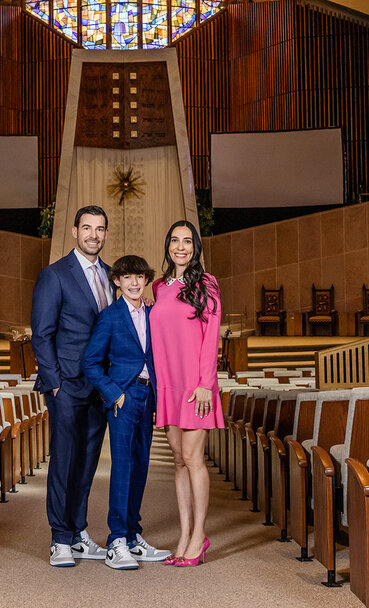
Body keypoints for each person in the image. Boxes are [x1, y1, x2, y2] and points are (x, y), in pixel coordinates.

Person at [30, 205, 113, 567]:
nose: (94, 234)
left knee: (88, 462)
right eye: (87, 228)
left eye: (100, 229)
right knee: (64, 460)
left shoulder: (113, 276)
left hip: (100, 387)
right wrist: (55, 384)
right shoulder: (54, 275)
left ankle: (78, 532)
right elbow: (42, 333)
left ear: (105, 234)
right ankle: (59, 538)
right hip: (66, 384)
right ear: (76, 232)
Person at [82, 254, 174, 569]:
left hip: (148, 396)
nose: (134, 283)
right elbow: (91, 362)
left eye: (140, 277)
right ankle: (116, 540)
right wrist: (114, 393)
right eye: (127, 278)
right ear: (117, 281)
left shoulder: (153, 313)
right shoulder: (109, 317)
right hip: (124, 396)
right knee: (122, 468)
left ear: (146, 280)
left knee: (140, 465)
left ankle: (134, 537)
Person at [149, 219, 224, 566]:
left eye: (187, 242)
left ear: (195, 248)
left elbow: (211, 337)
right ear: (168, 246)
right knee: (179, 461)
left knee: (194, 460)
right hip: (169, 385)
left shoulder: (206, 284)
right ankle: (184, 534)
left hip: (196, 387)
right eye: (175, 241)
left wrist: (206, 384)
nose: (181, 247)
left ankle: (199, 537)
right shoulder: (159, 286)